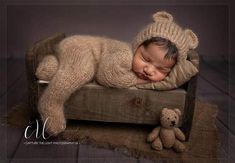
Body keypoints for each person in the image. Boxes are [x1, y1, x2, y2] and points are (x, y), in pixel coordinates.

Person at [35, 11, 198, 136]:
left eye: (161, 69)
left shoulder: (142, 61)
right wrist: (135, 80)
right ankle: (50, 102)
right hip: (82, 46)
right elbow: (106, 76)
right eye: (145, 59)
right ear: (137, 46)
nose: (149, 70)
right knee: (82, 71)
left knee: (67, 68)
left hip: (79, 53)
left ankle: (53, 66)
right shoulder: (125, 55)